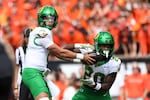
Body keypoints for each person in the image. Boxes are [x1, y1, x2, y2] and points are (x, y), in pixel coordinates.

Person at [22, 6, 95, 100]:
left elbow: (60, 54)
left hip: (37, 73)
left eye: (52, 18)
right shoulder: (43, 32)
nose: (50, 21)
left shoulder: (41, 31)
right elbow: (60, 52)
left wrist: (79, 58)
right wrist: (82, 56)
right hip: (33, 73)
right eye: (47, 18)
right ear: (41, 18)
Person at [65, 31, 121, 100]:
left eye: (108, 46)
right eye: (103, 46)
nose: (106, 49)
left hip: (102, 95)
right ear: (97, 44)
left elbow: (107, 85)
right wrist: (82, 55)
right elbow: (65, 49)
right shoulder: (88, 50)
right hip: (85, 92)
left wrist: (94, 85)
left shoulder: (114, 62)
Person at [14, 28, 34, 100]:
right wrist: (15, 87)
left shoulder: (38, 50)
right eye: (28, 37)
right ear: (25, 38)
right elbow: (16, 68)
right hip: (23, 79)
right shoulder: (19, 50)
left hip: (34, 78)